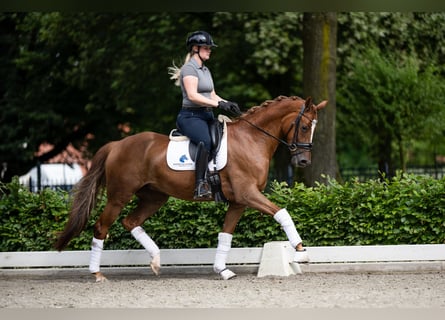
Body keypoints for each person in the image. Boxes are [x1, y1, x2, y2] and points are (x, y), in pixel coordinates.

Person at [169, 30, 241, 199]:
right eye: (207, 47)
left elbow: (212, 95)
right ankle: (200, 184)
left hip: (206, 115)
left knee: (224, 138)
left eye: (210, 48)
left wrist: (227, 103)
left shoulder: (205, 70)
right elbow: (193, 96)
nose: (210, 50)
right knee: (205, 141)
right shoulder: (189, 69)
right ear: (195, 48)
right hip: (190, 117)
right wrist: (218, 104)